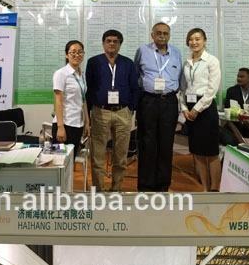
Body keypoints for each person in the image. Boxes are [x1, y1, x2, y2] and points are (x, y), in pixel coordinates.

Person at [86, 29, 139, 191]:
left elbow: (135, 87)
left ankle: (116, 189)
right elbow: (89, 88)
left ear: (120, 44)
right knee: (98, 155)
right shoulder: (94, 62)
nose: (112, 44)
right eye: (108, 41)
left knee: (121, 156)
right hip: (100, 112)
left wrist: (131, 109)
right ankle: (99, 190)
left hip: (122, 112)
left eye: (115, 41)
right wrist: (90, 111)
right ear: (103, 43)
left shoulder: (128, 63)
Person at [134, 22, 182, 191]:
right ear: (152, 35)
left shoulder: (176, 52)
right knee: (147, 143)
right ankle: (145, 185)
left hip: (169, 102)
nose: (162, 36)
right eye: (159, 33)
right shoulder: (142, 50)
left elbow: (180, 78)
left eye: (165, 33)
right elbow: (136, 74)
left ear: (169, 35)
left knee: (166, 143)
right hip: (148, 101)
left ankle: (163, 185)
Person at [179, 28, 222, 191]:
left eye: (197, 39)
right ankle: (204, 188)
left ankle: (214, 189)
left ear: (204, 41)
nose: (194, 42)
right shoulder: (186, 62)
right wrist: (184, 108)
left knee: (211, 152)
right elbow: (182, 88)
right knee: (197, 151)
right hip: (189, 108)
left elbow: (212, 90)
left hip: (206, 108)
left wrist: (196, 109)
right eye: (191, 39)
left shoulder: (212, 61)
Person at [52, 40, 90, 158]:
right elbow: (58, 101)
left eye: (80, 52)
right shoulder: (61, 74)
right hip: (65, 124)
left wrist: (87, 122)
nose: (77, 55)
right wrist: (60, 127)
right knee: (59, 160)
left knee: (71, 160)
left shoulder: (81, 75)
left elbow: (83, 100)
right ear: (66, 55)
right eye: (73, 52)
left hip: (77, 124)